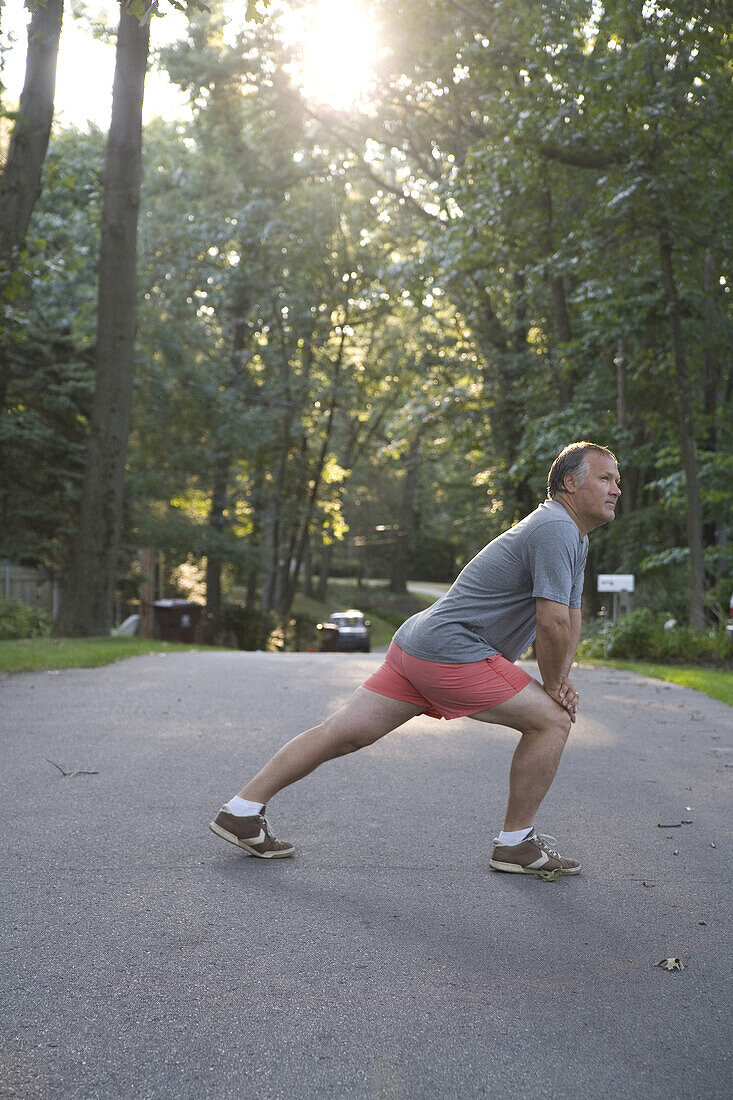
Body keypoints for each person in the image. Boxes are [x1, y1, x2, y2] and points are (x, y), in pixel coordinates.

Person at [210, 441, 621, 877]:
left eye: (617, 481)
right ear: (570, 483)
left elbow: (570, 618)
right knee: (552, 721)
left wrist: (563, 680)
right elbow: (551, 623)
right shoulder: (555, 527)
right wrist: (556, 690)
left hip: (420, 646)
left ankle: (241, 809)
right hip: (451, 650)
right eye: (605, 478)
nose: (616, 490)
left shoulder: (572, 536)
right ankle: (516, 844)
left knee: (344, 733)